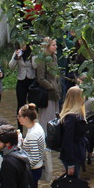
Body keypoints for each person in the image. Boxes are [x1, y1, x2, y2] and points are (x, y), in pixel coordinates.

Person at [58, 86, 89, 188]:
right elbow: (68, 141)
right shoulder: (71, 117)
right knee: (70, 187)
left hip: (75, 155)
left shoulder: (73, 115)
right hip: (73, 157)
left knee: (72, 184)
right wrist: (70, 164)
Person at [32, 37, 62, 178]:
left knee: (55, 116)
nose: (56, 46)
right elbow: (41, 78)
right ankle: (43, 143)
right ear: (48, 46)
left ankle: (51, 140)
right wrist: (51, 86)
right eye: (54, 45)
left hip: (56, 92)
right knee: (46, 118)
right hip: (47, 94)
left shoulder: (54, 57)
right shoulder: (42, 59)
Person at [17, 103, 47, 188]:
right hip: (36, 168)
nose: (18, 118)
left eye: (20, 116)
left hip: (33, 170)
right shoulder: (35, 127)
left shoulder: (33, 134)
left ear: (26, 118)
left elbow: (33, 158)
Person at [9, 43, 36, 111]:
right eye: (21, 45)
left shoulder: (33, 52)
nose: (23, 47)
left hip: (31, 79)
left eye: (24, 45)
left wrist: (33, 56)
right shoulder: (17, 52)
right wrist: (16, 57)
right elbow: (11, 66)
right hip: (21, 79)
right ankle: (20, 119)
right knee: (21, 104)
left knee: (33, 103)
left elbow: (35, 66)